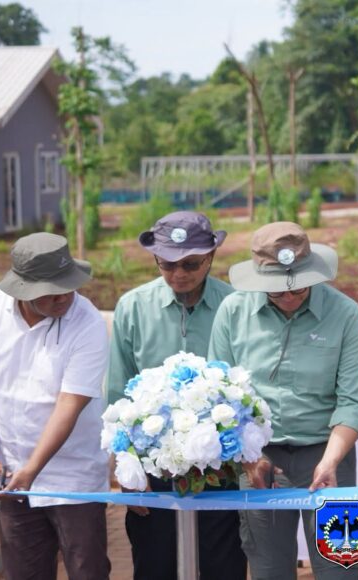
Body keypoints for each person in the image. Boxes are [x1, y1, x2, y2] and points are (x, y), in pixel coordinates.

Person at [208, 221, 358, 580]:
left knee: (342, 569)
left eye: (299, 287)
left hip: (332, 458)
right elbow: (220, 398)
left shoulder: (346, 315)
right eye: (277, 291)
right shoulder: (232, 314)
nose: (289, 296)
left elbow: (353, 403)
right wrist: (250, 458)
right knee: (269, 570)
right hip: (260, 460)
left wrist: (330, 462)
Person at [107, 211, 246, 580]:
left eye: (191, 264)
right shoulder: (133, 307)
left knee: (223, 564)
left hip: (220, 467)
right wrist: (126, 466)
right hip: (153, 468)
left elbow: (246, 387)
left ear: (212, 256)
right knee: (155, 563)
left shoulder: (235, 306)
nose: (179, 274)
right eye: (167, 265)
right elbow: (116, 394)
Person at [0, 233, 111, 579]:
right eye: (51, 291)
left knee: (88, 571)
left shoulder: (86, 322)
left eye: (68, 286)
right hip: (11, 475)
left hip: (74, 479)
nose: (64, 297)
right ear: (22, 289)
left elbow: (69, 404)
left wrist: (33, 468)